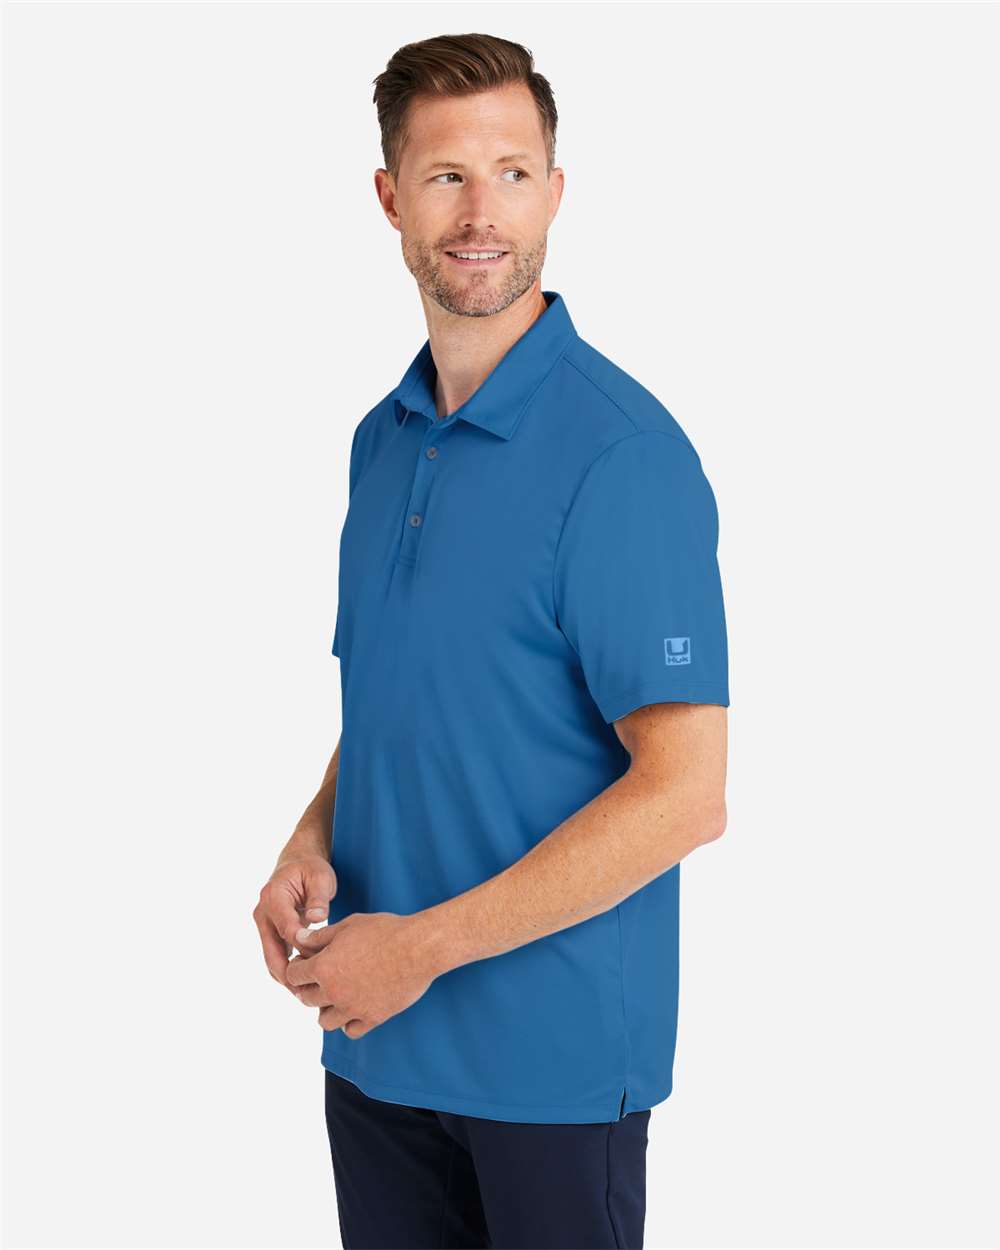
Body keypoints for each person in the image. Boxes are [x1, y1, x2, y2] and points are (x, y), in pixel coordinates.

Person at [253, 32, 730, 1250]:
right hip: (374, 1043)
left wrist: (419, 948)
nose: (481, 213)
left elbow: (685, 795)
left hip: (549, 1069)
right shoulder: (382, 442)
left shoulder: (624, 458)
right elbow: (405, 700)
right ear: (389, 198)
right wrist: (312, 834)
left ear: (555, 193)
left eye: (513, 173)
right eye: (446, 175)